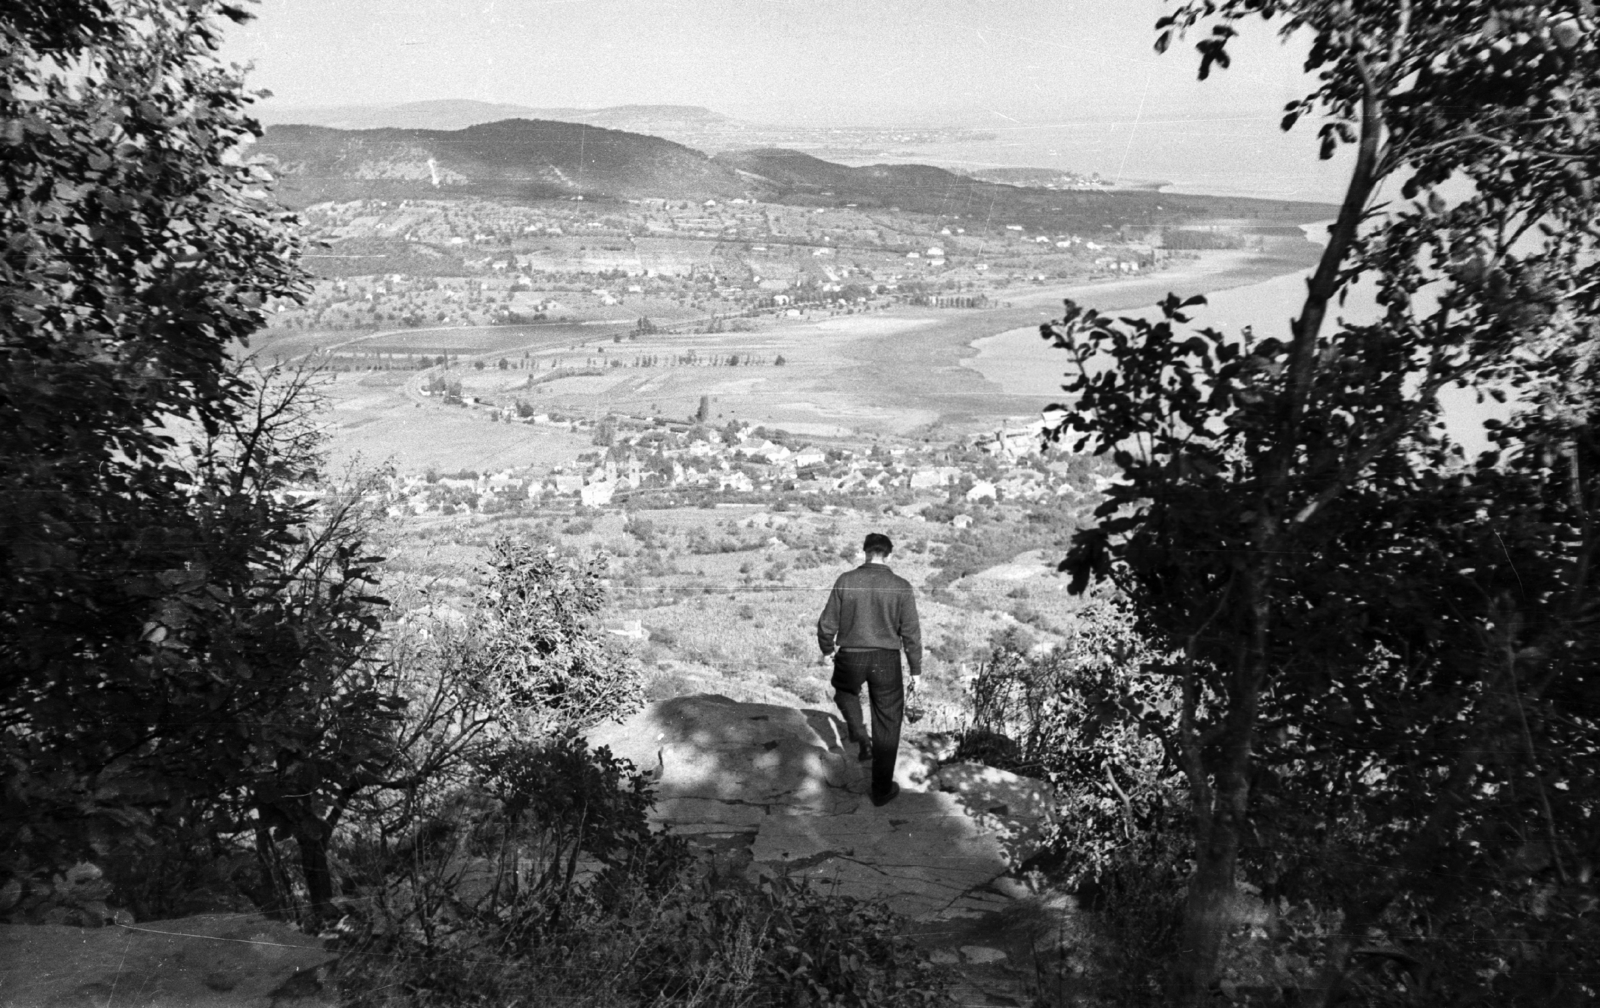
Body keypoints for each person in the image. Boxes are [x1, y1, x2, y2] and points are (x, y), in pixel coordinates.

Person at [816, 532, 921, 807]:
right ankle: (881, 789)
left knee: (844, 691)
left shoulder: (846, 580)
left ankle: (859, 735)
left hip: (851, 655)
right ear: (890, 555)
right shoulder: (901, 586)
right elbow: (911, 634)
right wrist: (916, 671)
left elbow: (826, 624)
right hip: (886, 660)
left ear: (864, 552)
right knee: (888, 719)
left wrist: (828, 651)